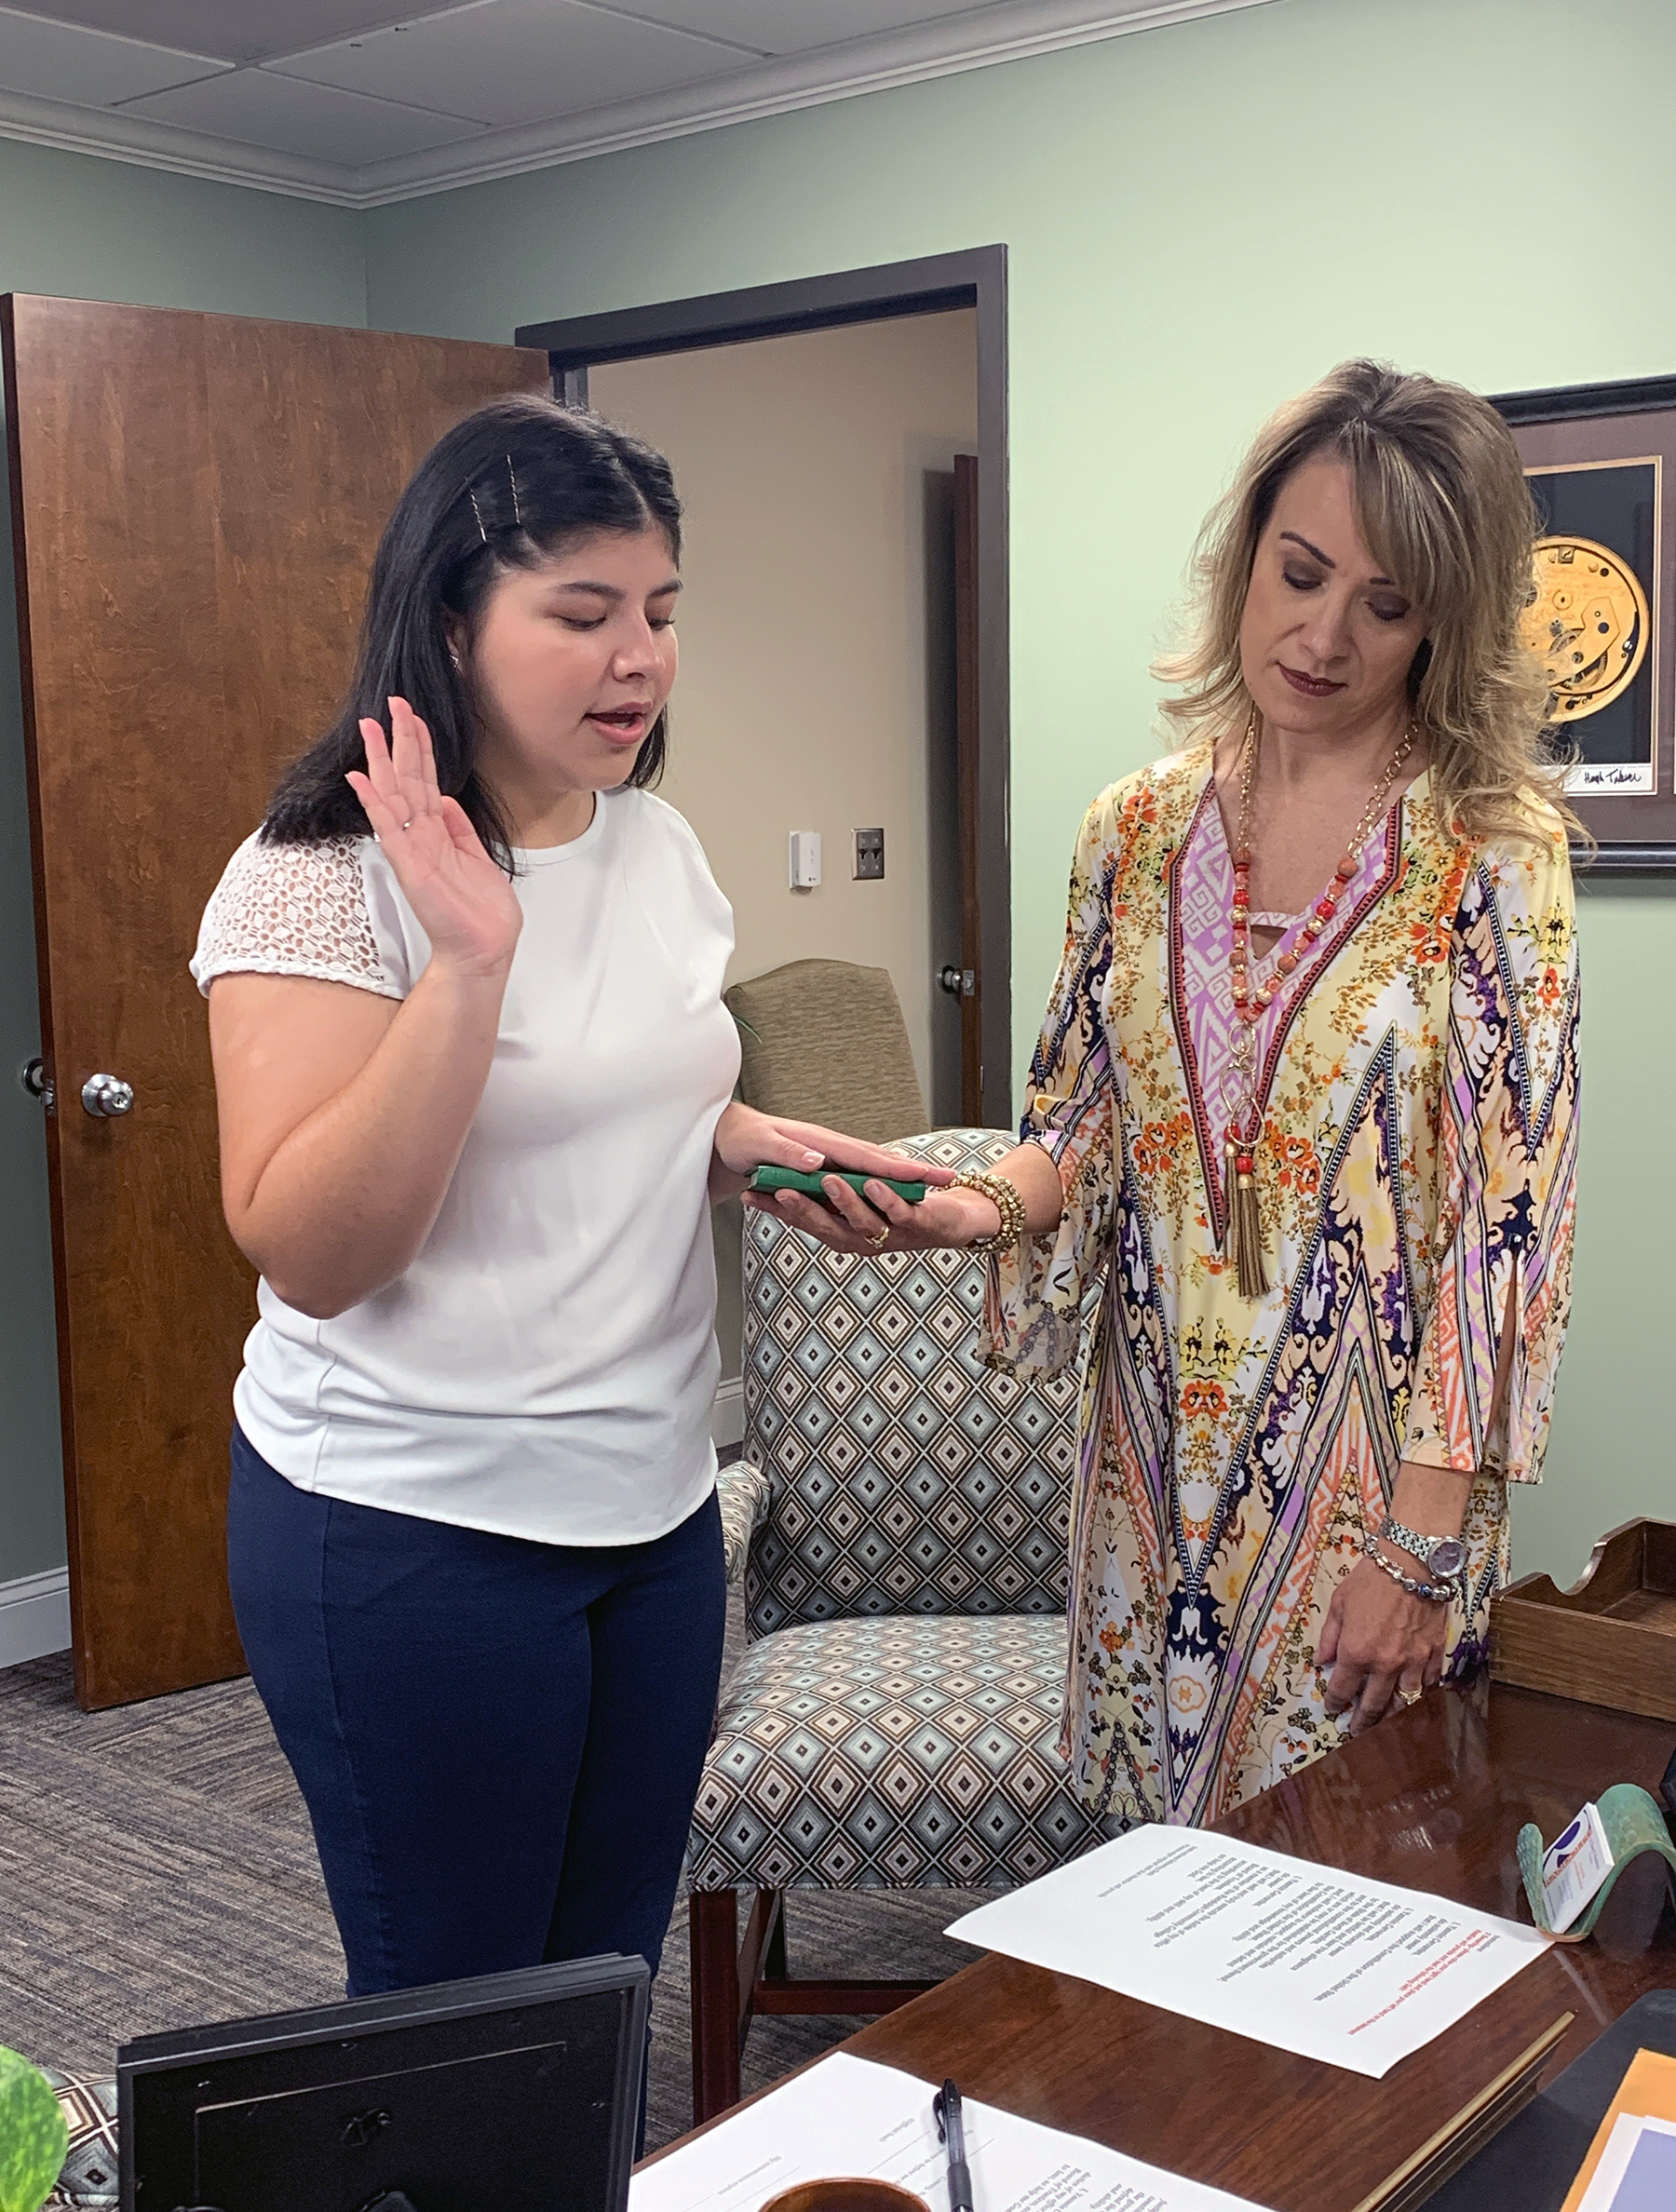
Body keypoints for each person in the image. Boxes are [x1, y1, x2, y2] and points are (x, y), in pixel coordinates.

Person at [755, 360, 1580, 1827]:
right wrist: (967, 1209)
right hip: (1145, 1486)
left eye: (1384, 605)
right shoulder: (1129, 833)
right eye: (1301, 571)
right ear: (1247, 549)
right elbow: (1083, 1117)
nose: (1322, 636)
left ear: (1442, 623)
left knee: (1345, 1910)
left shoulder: (1494, 859)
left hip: (1366, 1500)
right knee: (1150, 1913)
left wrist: (1420, 1548)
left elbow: (1510, 1231)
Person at [193, 395, 937, 2003]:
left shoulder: (655, 846)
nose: (640, 659)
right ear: (452, 623)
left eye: (662, 614)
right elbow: (319, 1251)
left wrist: (746, 1143)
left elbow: (634, 1085)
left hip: (654, 1516)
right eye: (583, 614)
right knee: (457, 2014)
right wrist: (468, 964)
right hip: (410, 1527)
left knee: (601, 1985)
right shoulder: (314, 873)